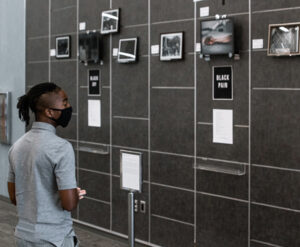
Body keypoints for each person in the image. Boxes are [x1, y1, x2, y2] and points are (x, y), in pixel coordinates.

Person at [7, 82, 86, 247]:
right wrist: (74, 194)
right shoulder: (61, 148)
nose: (69, 107)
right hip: (54, 239)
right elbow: (69, 204)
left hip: (23, 237)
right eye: (64, 103)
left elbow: (15, 197)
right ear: (49, 112)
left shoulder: (18, 145)